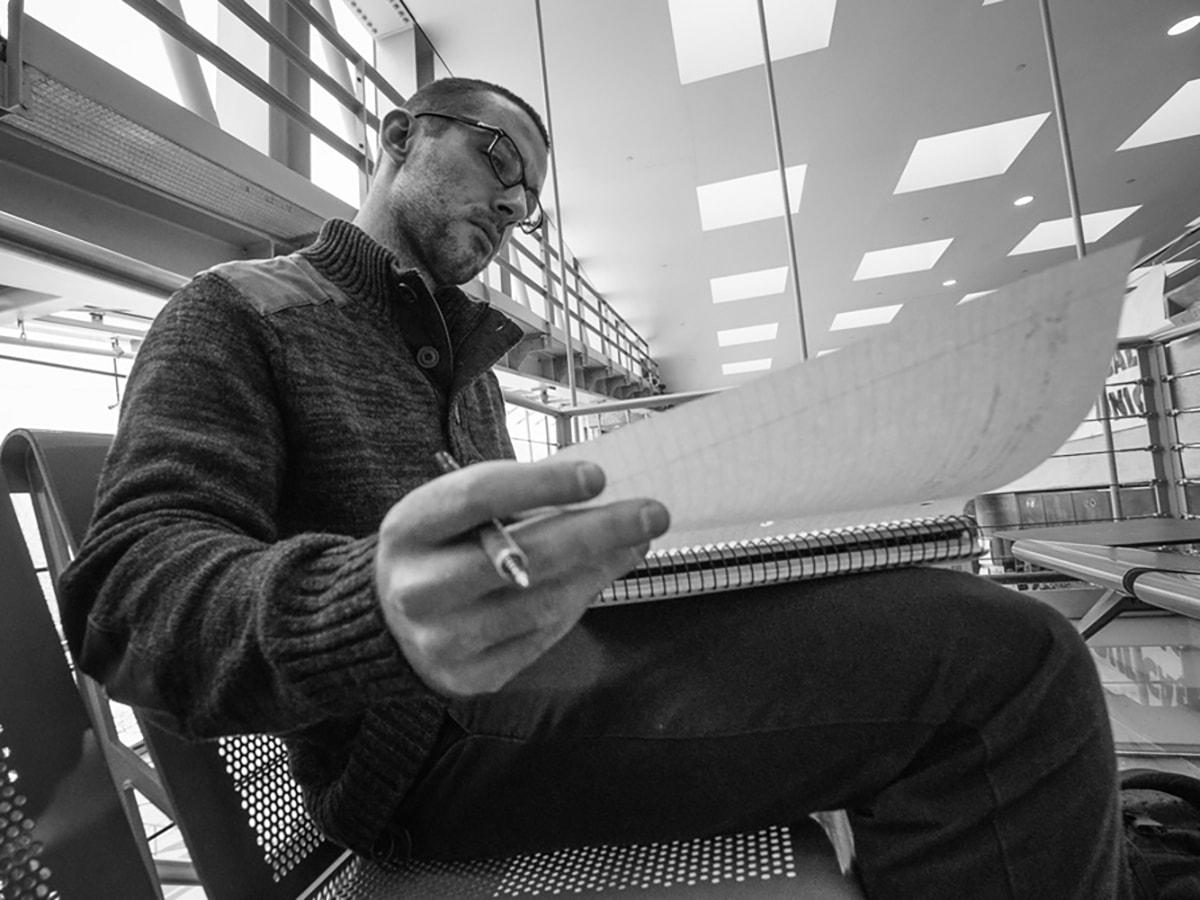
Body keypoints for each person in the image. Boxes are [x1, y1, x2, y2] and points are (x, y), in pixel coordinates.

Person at [59, 76, 1129, 898]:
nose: (515, 202)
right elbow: (126, 596)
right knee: (1001, 665)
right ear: (396, 136)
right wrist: (368, 608)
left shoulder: (468, 371)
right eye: (496, 158)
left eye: (528, 197)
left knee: (956, 628)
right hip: (421, 747)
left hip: (551, 673)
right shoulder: (235, 309)